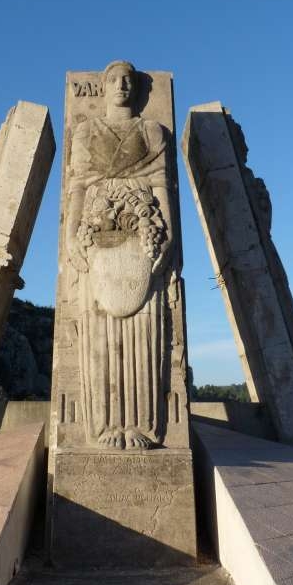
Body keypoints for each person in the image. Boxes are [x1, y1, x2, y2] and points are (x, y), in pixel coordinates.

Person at [65, 61, 175, 449]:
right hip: (97, 234)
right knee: (99, 328)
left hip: (144, 233)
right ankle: (103, 427)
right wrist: (71, 235)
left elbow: (161, 184)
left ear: (140, 89)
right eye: (114, 79)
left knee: (144, 332)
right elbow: (78, 186)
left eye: (129, 79)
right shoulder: (86, 131)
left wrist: (168, 235)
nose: (123, 84)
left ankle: (144, 425)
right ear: (104, 86)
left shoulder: (153, 130)